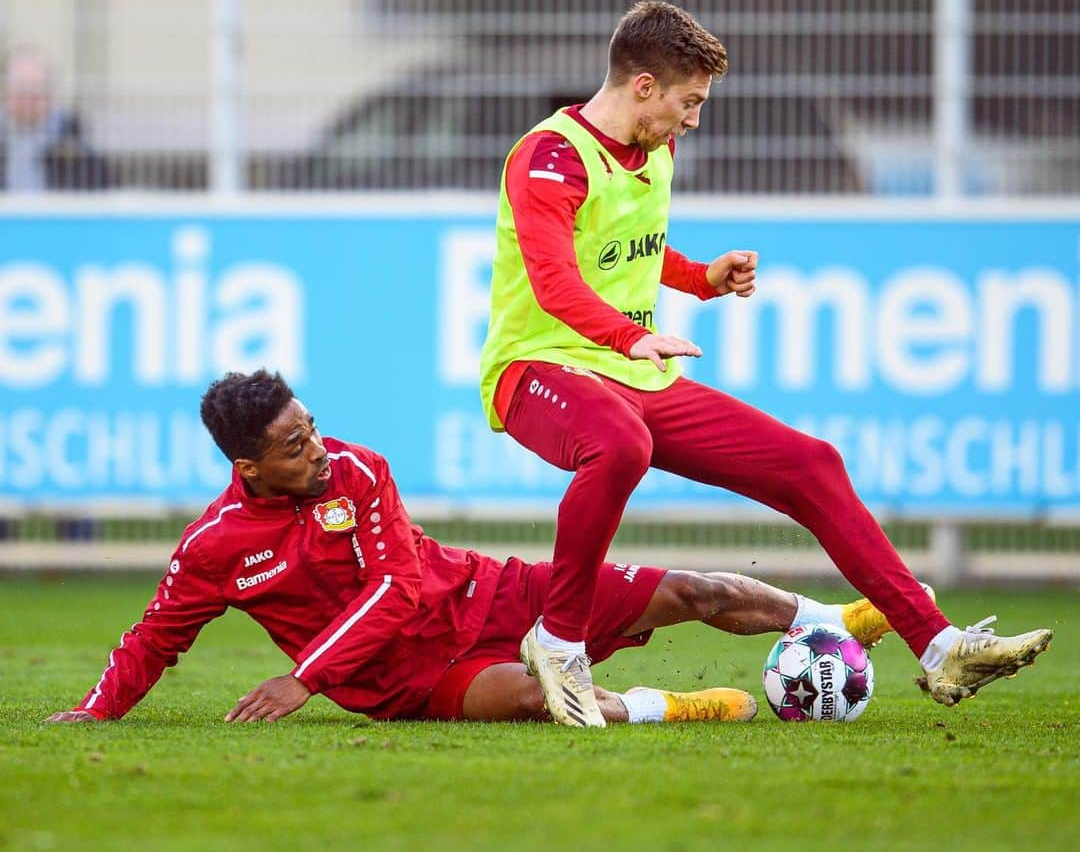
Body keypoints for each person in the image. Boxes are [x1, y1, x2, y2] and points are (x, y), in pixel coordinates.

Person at [477, 0, 1052, 727]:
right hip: (535, 370)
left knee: (811, 463)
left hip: (632, 373)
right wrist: (628, 337)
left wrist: (700, 278)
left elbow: (631, 253)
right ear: (644, 85)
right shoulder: (550, 155)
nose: (692, 120)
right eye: (689, 102)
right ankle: (559, 645)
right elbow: (556, 280)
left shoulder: (654, 149)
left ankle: (939, 647)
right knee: (621, 446)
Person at [51, 369, 909, 728]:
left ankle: (832, 621)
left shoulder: (358, 470)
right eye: (293, 446)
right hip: (406, 678)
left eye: (310, 428)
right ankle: (671, 707)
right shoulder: (215, 546)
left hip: (483, 594)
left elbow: (394, 585)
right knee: (538, 698)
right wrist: (95, 713)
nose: (317, 449)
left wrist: (299, 677)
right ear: (249, 468)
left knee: (693, 591)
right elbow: (156, 635)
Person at [0, 46, 109, 192]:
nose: (27, 100)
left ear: (51, 95)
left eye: (36, 91)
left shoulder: (77, 147)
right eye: (20, 91)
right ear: (5, 93)